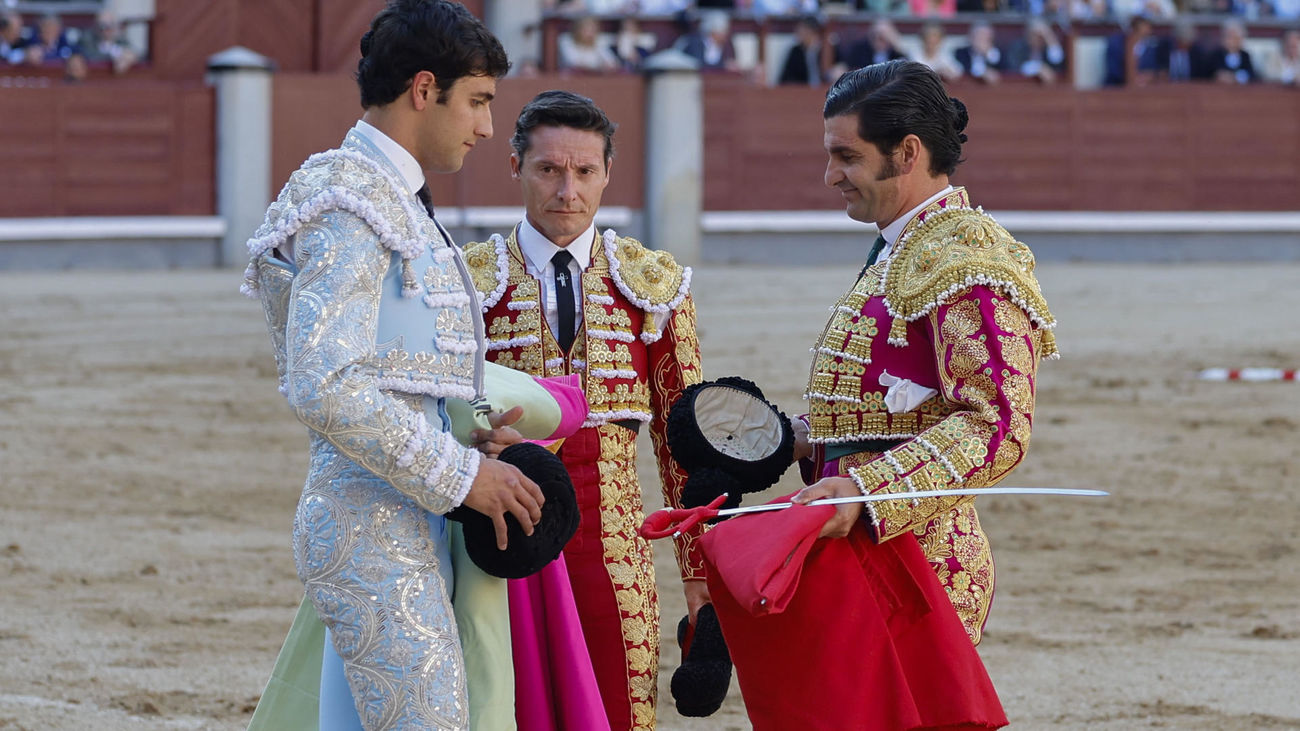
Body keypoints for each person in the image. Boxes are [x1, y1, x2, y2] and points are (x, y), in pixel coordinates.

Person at [712, 59, 1057, 728]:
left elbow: (996, 423)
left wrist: (869, 491)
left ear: (908, 153)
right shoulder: (905, 248)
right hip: (857, 550)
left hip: (915, 564)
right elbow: (892, 401)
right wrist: (795, 436)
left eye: (847, 156)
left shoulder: (967, 258)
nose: (830, 174)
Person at [240, 1, 539, 728]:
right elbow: (326, 381)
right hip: (370, 523)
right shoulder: (354, 202)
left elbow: (390, 374)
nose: (486, 127)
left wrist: (463, 435)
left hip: (399, 514)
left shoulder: (383, 197)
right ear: (423, 88)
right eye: (477, 101)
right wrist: (462, 473)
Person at [463, 90, 704, 731]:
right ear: (515, 167)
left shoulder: (653, 283)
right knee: (502, 704)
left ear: (607, 174)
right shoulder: (466, 281)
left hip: (614, 544)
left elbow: (686, 445)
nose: (567, 190)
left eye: (585, 172)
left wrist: (700, 579)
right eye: (548, 170)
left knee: (618, 707)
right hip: (499, 526)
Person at [1209, 19, 1256, 84]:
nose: (1232, 41)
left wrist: (1236, 77)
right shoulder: (1216, 55)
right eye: (1229, 36)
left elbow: (1252, 75)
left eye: (1235, 38)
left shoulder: (1245, 56)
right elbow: (1210, 74)